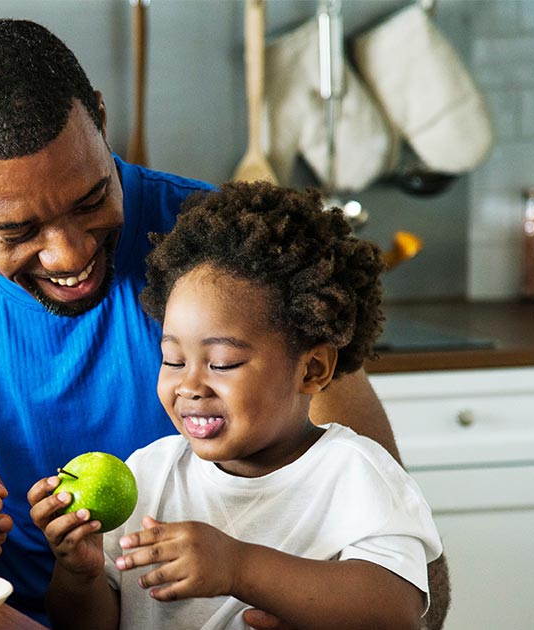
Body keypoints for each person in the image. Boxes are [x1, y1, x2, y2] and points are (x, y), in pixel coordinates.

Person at [0, 17, 449, 628]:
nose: (69, 255)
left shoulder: (234, 263)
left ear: (101, 118)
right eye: (17, 231)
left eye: (92, 198)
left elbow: (415, 587)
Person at [27, 181, 443, 630]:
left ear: (312, 370)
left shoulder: (354, 473)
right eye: (173, 359)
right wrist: (79, 573)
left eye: (222, 363)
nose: (189, 384)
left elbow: (397, 613)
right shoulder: (150, 474)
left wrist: (238, 567)